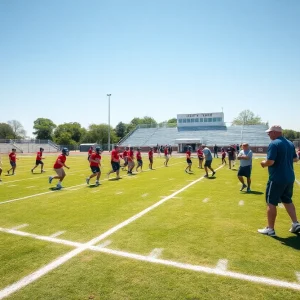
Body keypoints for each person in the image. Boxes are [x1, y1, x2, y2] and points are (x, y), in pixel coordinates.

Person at [258, 125, 300, 236]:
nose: (268, 134)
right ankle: (295, 223)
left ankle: (270, 229)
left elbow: (270, 161)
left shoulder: (274, 143)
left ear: (275, 132)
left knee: (271, 202)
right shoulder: (290, 143)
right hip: (289, 177)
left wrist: (263, 163)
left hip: (277, 178)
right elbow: (295, 159)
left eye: (270, 132)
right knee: (287, 200)